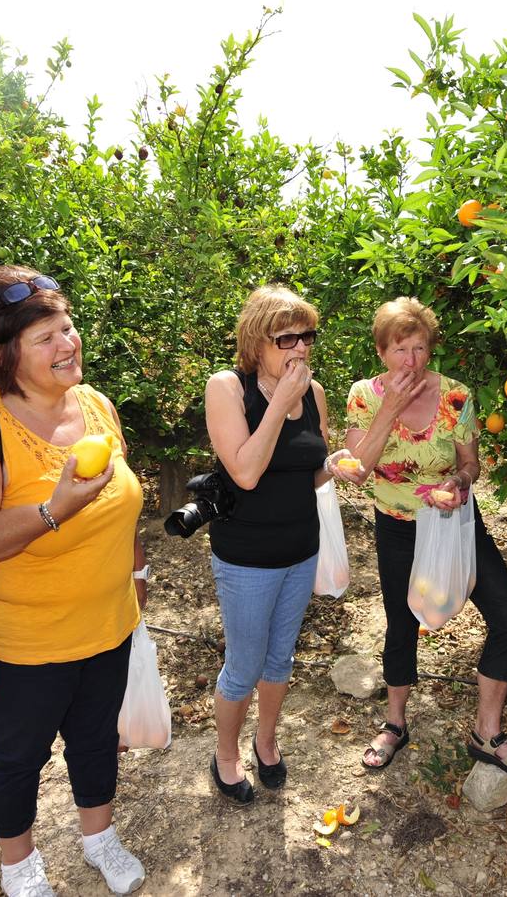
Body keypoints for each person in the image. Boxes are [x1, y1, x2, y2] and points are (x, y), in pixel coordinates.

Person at [0, 267, 146, 897]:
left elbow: (122, 504)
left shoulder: (96, 405)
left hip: (109, 623)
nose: (67, 344)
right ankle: (19, 867)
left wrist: (138, 576)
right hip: (28, 642)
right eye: (46, 337)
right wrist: (52, 512)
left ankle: (99, 836)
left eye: (68, 328)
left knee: (97, 739)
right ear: (2, 356)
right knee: (19, 759)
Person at [333, 297, 507, 781]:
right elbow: (358, 469)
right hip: (397, 525)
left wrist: (461, 482)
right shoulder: (364, 396)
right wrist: (392, 406)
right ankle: (395, 723)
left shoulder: (455, 395)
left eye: (420, 348)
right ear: (382, 351)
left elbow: (472, 463)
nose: (412, 360)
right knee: (401, 625)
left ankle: (486, 731)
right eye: (401, 349)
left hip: (455, 523)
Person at [203, 285, 334, 804]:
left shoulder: (315, 392)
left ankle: (266, 741)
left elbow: (312, 473)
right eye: (287, 339)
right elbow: (247, 472)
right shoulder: (228, 388)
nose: (300, 348)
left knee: (281, 659)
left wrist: (337, 467)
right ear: (257, 342)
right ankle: (227, 754)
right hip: (246, 558)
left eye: (307, 337)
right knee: (245, 663)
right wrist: (280, 403)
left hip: (301, 548)